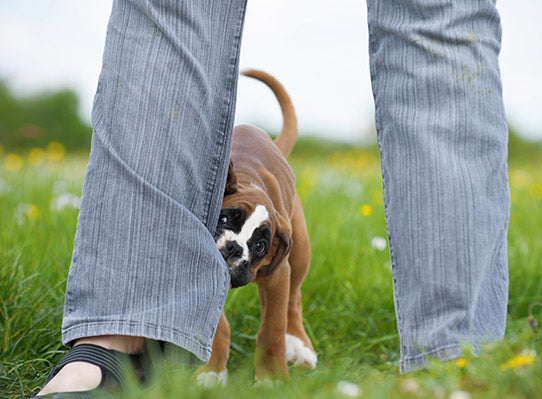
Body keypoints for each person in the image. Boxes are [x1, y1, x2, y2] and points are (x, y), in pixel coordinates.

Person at [35, 0, 509, 395]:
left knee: (439, 11)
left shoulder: (277, 232)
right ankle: (125, 330)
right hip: (241, 173)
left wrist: (274, 338)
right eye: (226, 223)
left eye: (256, 247)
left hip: (270, 187)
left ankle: (448, 358)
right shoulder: (228, 191)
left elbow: (275, 262)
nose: (232, 245)